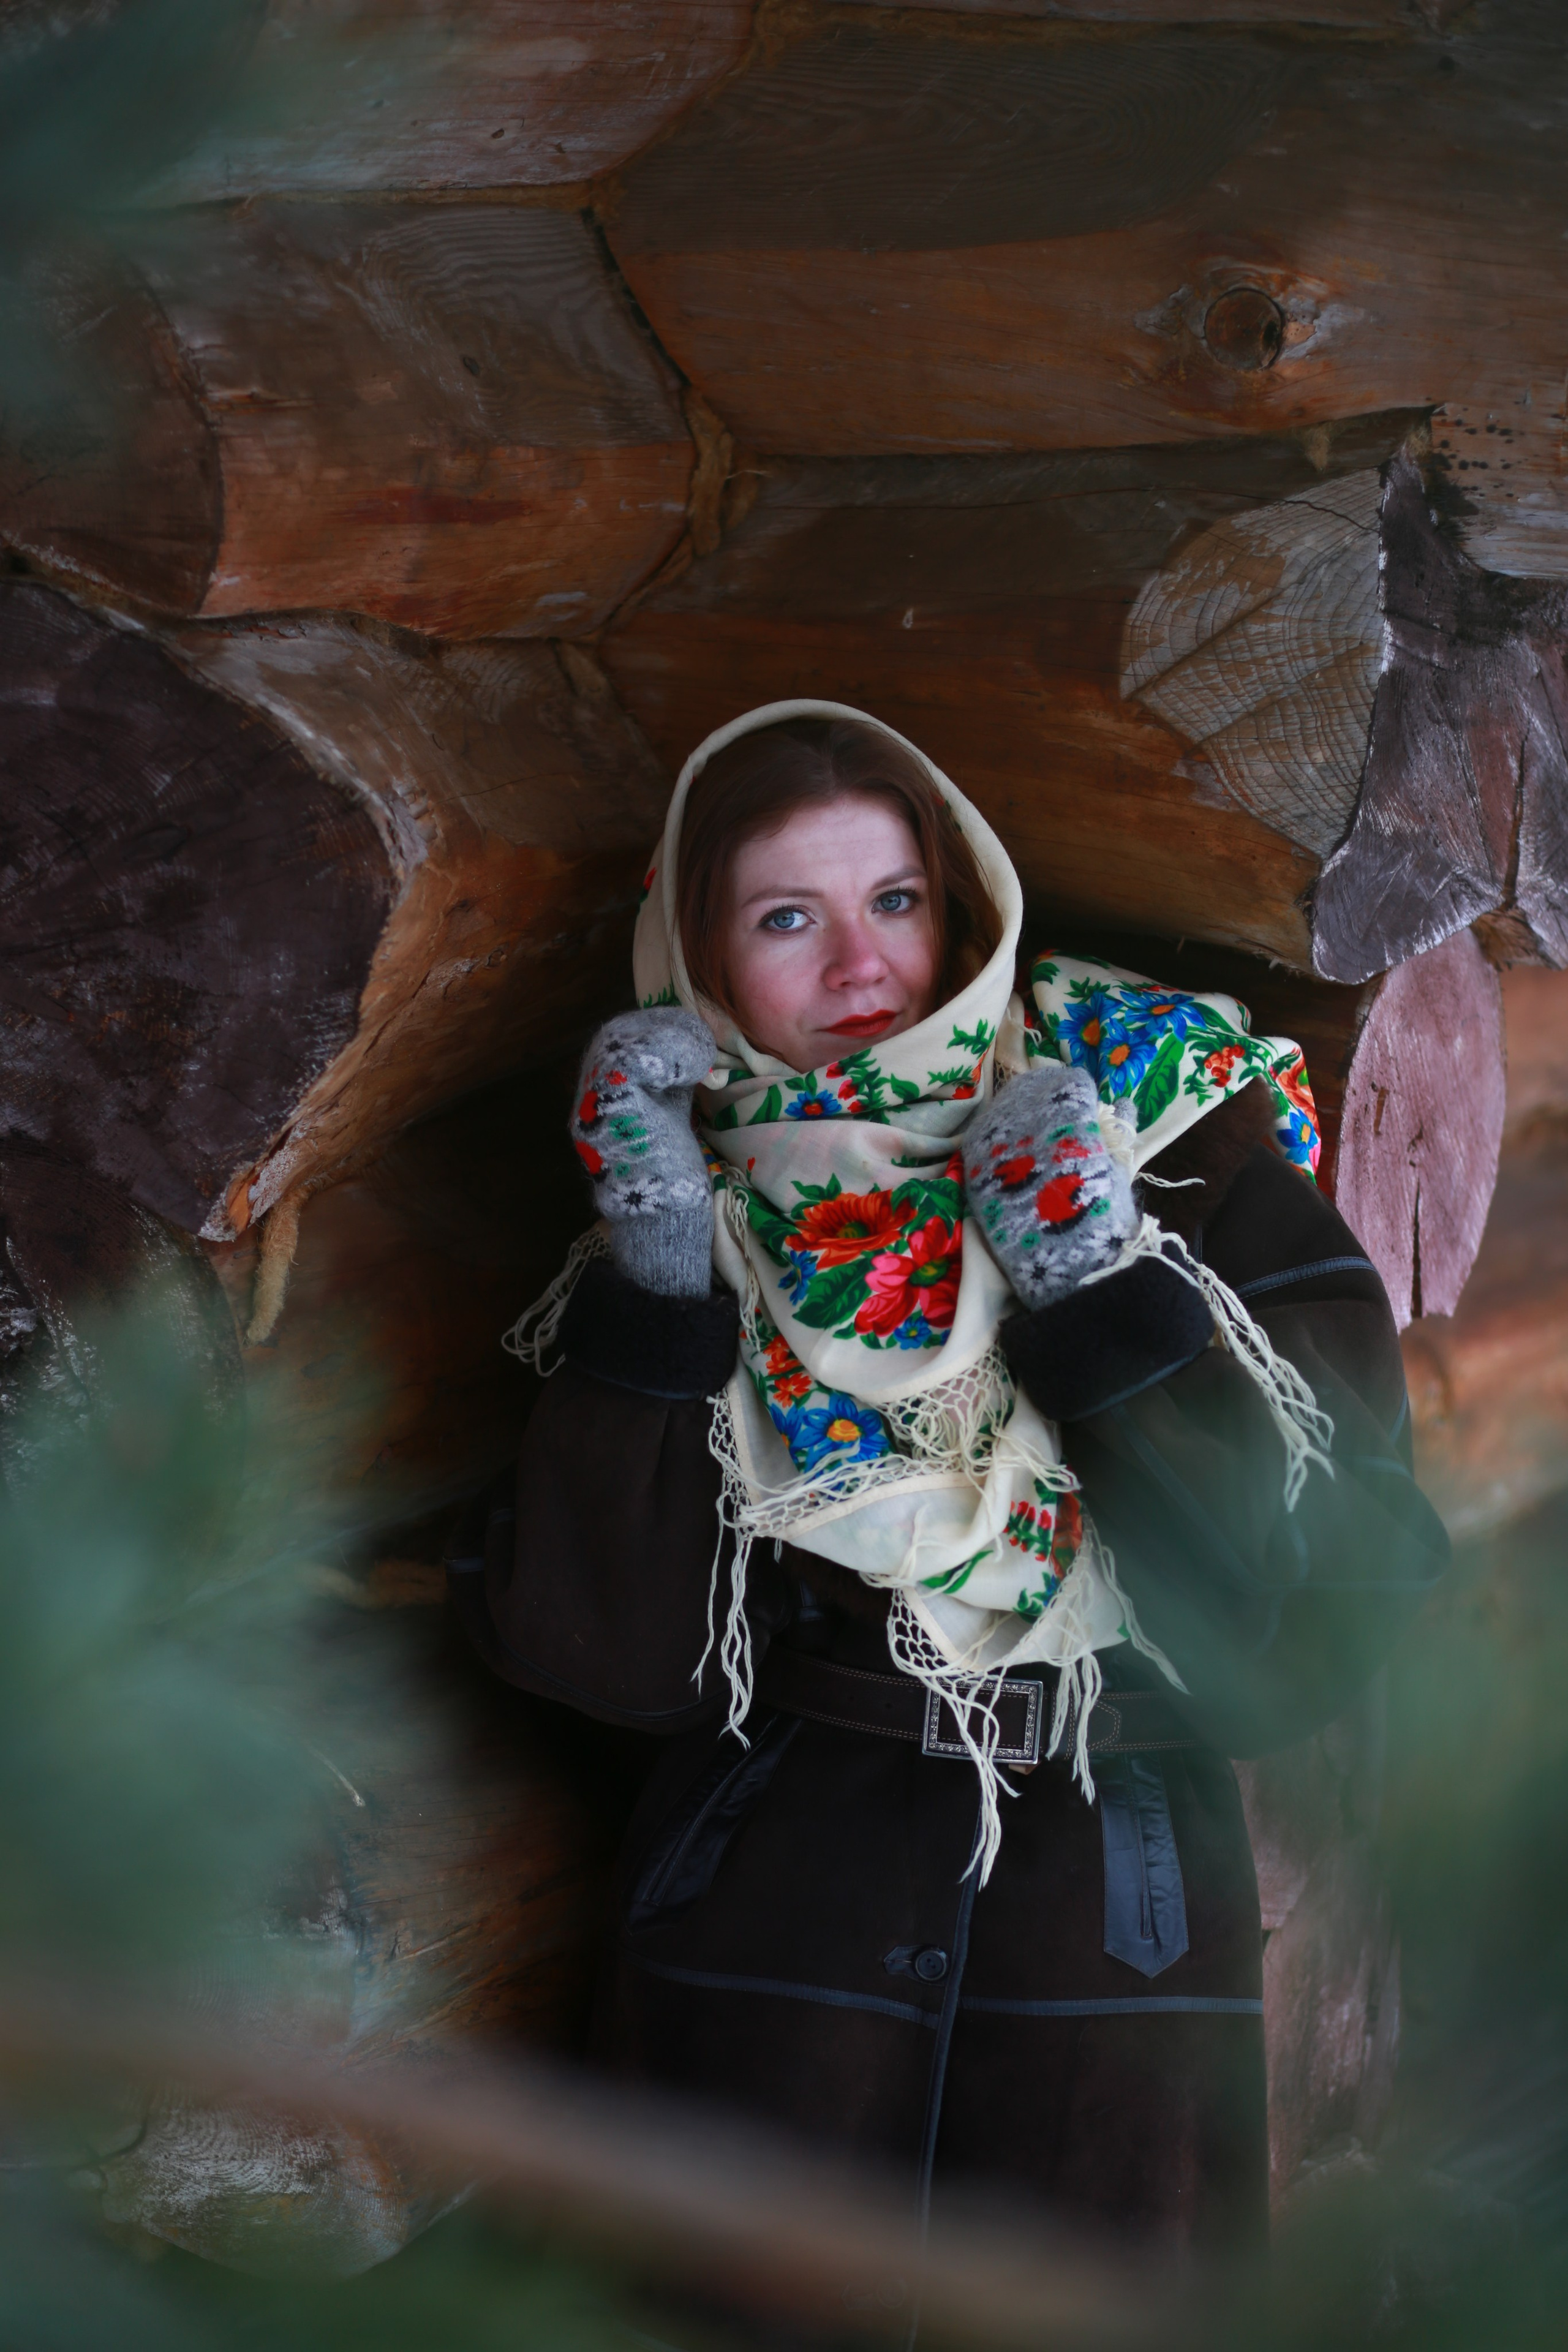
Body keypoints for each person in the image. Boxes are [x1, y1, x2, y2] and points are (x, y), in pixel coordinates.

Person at [450, 702, 1447, 2258]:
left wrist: (1093, 1279)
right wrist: (651, 1280)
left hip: (1108, 1917)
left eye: (895, 901)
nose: (862, 969)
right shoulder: (685, 1205)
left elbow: (1314, 1624)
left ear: (962, 909)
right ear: (697, 967)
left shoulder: (1175, 1142)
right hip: (776, 1909)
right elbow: (611, 1661)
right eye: (789, 919)